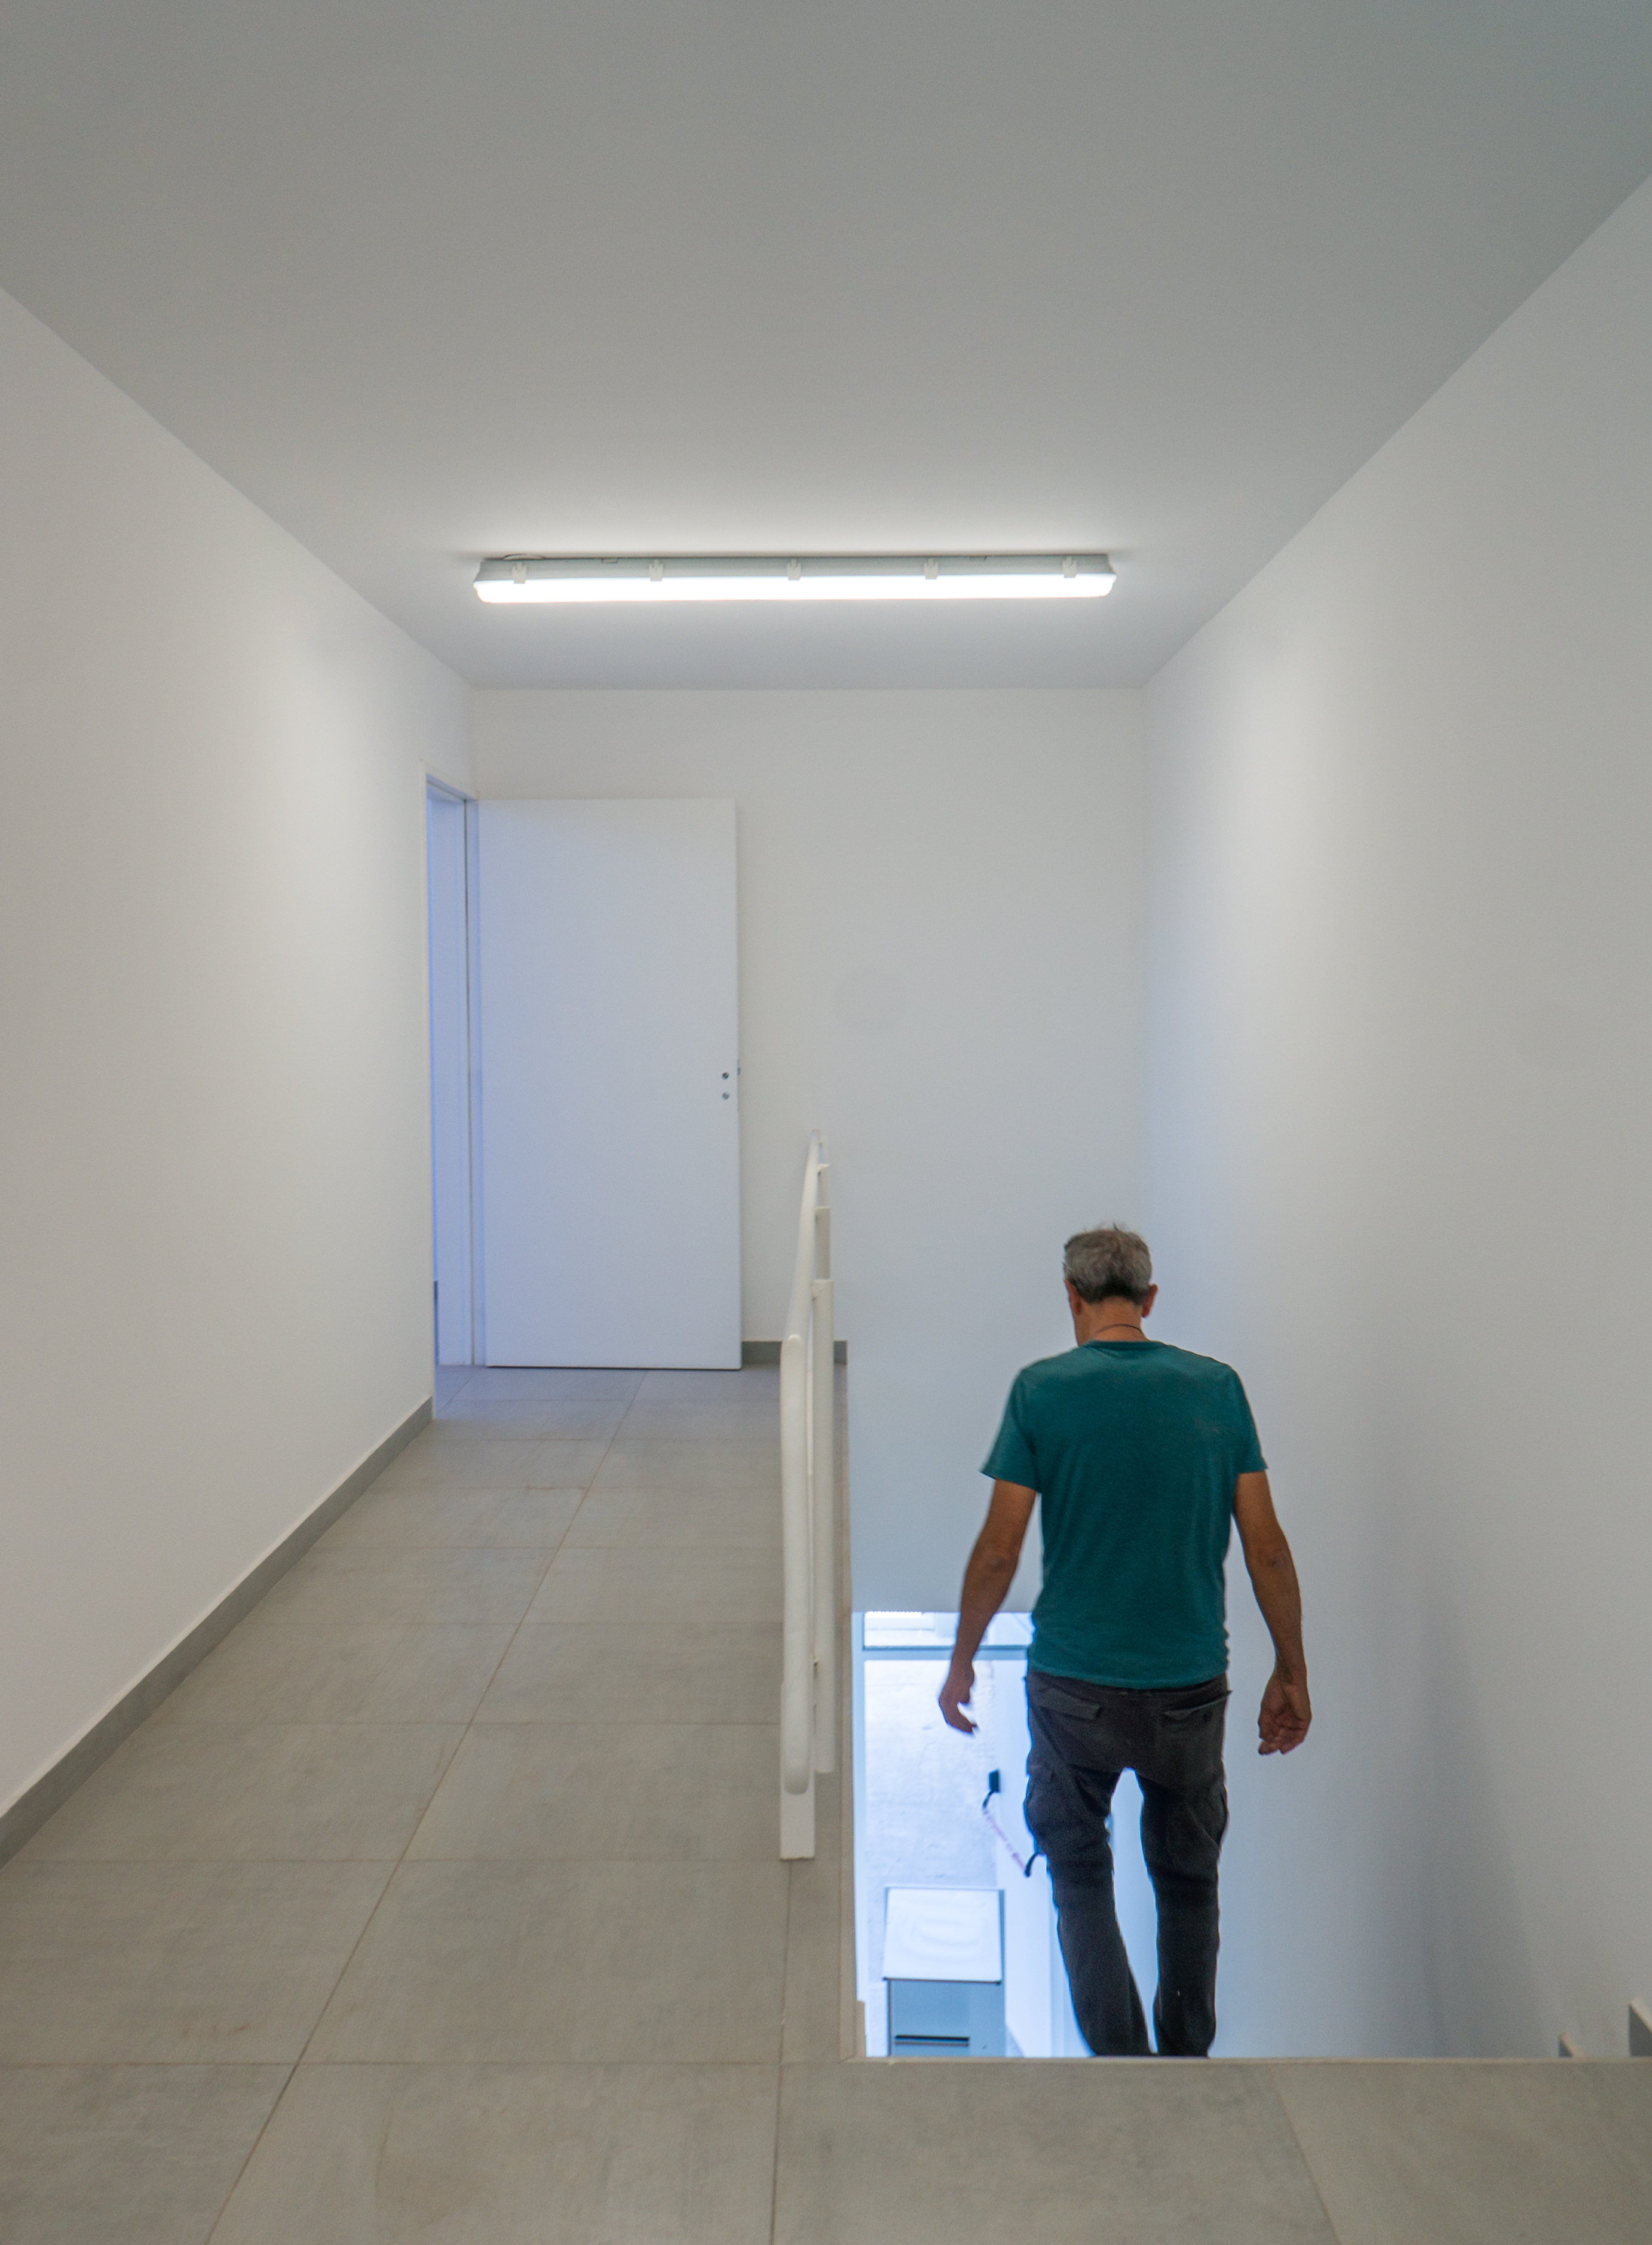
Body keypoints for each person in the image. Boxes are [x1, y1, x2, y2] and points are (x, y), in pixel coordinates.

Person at [939, 1225, 1310, 2057]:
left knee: (1079, 1876)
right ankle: (1185, 2061)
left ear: (1071, 1295)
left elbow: (999, 1550)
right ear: (1149, 1298)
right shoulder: (1216, 1389)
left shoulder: (1041, 1390)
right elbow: (1266, 1547)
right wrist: (1291, 1669)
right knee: (1188, 1882)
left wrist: (961, 1663)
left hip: (1074, 1689)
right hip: (1189, 1688)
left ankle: (1121, 2071)